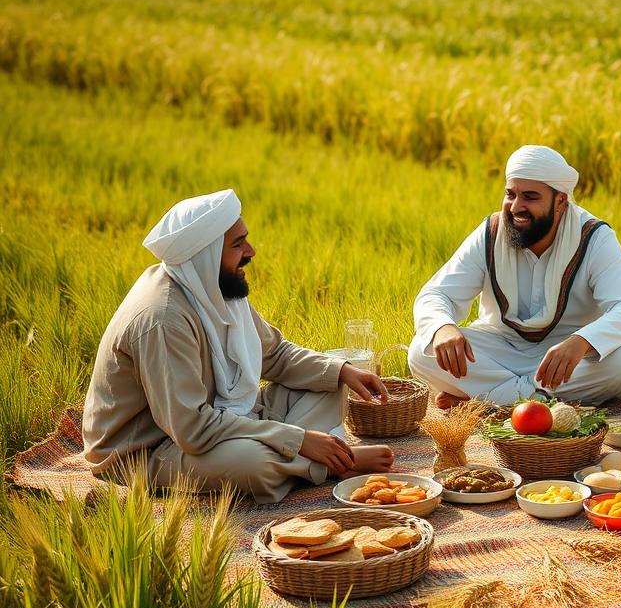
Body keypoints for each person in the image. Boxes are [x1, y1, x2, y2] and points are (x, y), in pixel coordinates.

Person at [83, 189, 394, 504]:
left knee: (330, 385)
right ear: (206, 254)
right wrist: (297, 440)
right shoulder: (163, 321)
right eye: (237, 244)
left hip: (222, 414)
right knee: (254, 464)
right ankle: (334, 462)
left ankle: (308, 457)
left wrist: (342, 371)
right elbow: (191, 429)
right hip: (151, 449)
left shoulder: (212, 285)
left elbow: (274, 355)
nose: (251, 251)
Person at [408, 145, 621, 408]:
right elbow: (437, 293)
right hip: (501, 351)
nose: (515, 207)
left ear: (560, 202)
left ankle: (484, 401)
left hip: (567, 359)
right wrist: (443, 328)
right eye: (510, 194)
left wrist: (582, 341)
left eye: (530, 197)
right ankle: (534, 403)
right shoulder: (491, 232)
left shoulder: (594, 237)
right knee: (422, 350)